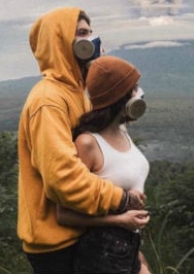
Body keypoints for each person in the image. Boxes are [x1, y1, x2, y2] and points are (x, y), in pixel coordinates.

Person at [17, 7, 145, 274]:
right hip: (57, 243)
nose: (92, 40)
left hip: (86, 228)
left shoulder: (78, 93)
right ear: (60, 40)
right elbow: (63, 179)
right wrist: (122, 200)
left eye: (91, 32)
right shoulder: (48, 100)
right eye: (83, 34)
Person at [57, 55, 151, 274]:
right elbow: (64, 213)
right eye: (134, 87)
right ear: (119, 96)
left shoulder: (123, 132)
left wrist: (137, 253)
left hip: (130, 246)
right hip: (102, 252)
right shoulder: (88, 143)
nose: (139, 93)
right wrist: (120, 220)